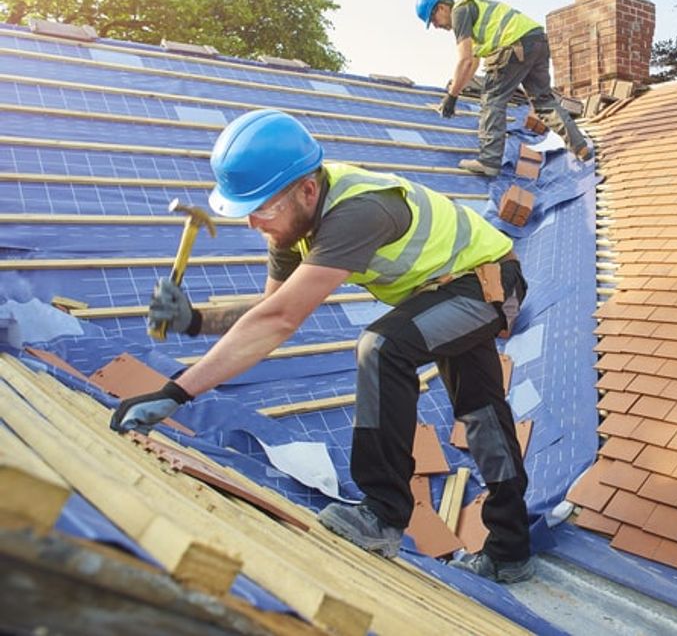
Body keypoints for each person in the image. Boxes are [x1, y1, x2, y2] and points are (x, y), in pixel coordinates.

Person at [110, 108, 535, 584]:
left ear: (307, 190)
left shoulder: (358, 212)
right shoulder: (291, 224)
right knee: (481, 413)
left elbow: (278, 322)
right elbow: (270, 310)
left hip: (488, 283)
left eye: (262, 209)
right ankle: (511, 550)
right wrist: (195, 321)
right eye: (246, 210)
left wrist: (175, 393)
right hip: (444, 290)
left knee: (382, 347)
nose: (253, 223)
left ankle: (383, 514)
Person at [416, 0, 591, 177]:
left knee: (492, 100)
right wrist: (455, 91)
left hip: (514, 45)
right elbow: (472, 64)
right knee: (543, 102)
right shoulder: (474, 13)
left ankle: (489, 160)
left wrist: (451, 97)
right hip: (537, 40)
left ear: (441, 8)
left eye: (433, 20)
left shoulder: (459, 12)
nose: (436, 26)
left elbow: (464, 60)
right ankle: (580, 147)